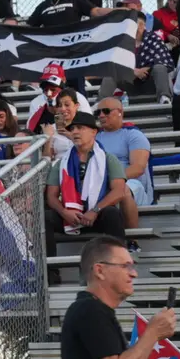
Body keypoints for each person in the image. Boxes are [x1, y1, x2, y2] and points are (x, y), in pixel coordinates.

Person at [43, 112, 128, 261]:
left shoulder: (108, 158)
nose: (75, 132)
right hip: (69, 216)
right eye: (73, 128)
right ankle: (51, 272)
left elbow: (119, 191)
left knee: (112, 214)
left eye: (80, 128)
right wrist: (64, 212)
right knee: (46, 217)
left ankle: (118, 262)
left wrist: (95, 211)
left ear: (93, 132)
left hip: (98, 215)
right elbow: (51, 196)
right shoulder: (62, 162)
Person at [95, 97, 150, 226]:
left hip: (131, 183)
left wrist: (112, 180)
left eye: (106, 111)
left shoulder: (133, 135)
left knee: (122, 189)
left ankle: (133, 240)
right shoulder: (95, 137)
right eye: (98, 113)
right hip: (102, 181)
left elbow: (138, 168)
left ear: (120, 112)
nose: (101, 115)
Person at [98, 13, 174, 104]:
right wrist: (133, 71)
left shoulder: (154, 38)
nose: (137, 28)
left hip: (150, 81)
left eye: (140, 24)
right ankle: (100, 103)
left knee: (160, 68)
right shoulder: (120, 41)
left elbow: (163, 60)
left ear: (144, 25)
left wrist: (147, 69)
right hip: (129, 82)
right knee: (111, 73)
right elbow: (114, 63)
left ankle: (164, 97)